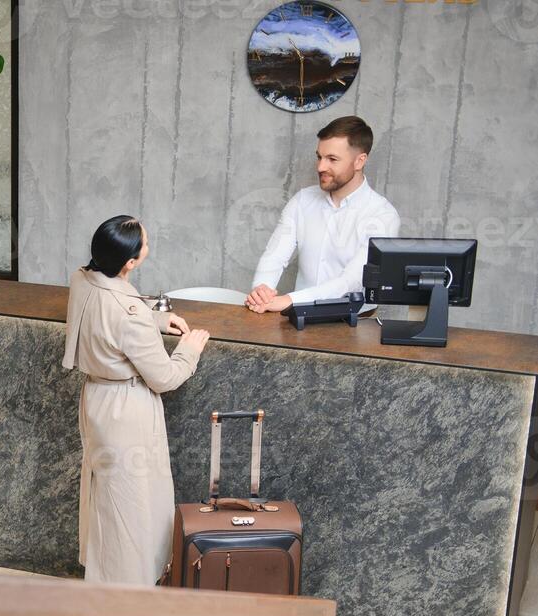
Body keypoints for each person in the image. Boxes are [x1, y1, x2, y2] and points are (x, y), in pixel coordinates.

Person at [64, 215, 210, 585]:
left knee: (106, 497)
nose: (148, 244)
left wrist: (155, 321)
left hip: (96, 399)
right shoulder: (130, 314)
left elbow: (109, 319)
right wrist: (188, 351)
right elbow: (164, 377)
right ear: (130, 262)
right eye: (144, 242)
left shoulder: (82, 279)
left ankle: (108, 582)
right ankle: (130, 590)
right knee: (132, 505)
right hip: (126, 409)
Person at [246, 115, 400, 314]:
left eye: (332, 159)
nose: (320, 167)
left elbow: (349, 282)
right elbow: (274, 256)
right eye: (319, 157)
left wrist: (287, 300)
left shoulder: (383, 215)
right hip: (297, 318)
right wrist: (262, 290)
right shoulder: (302, 201)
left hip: (355, 323)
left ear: (359, 161)